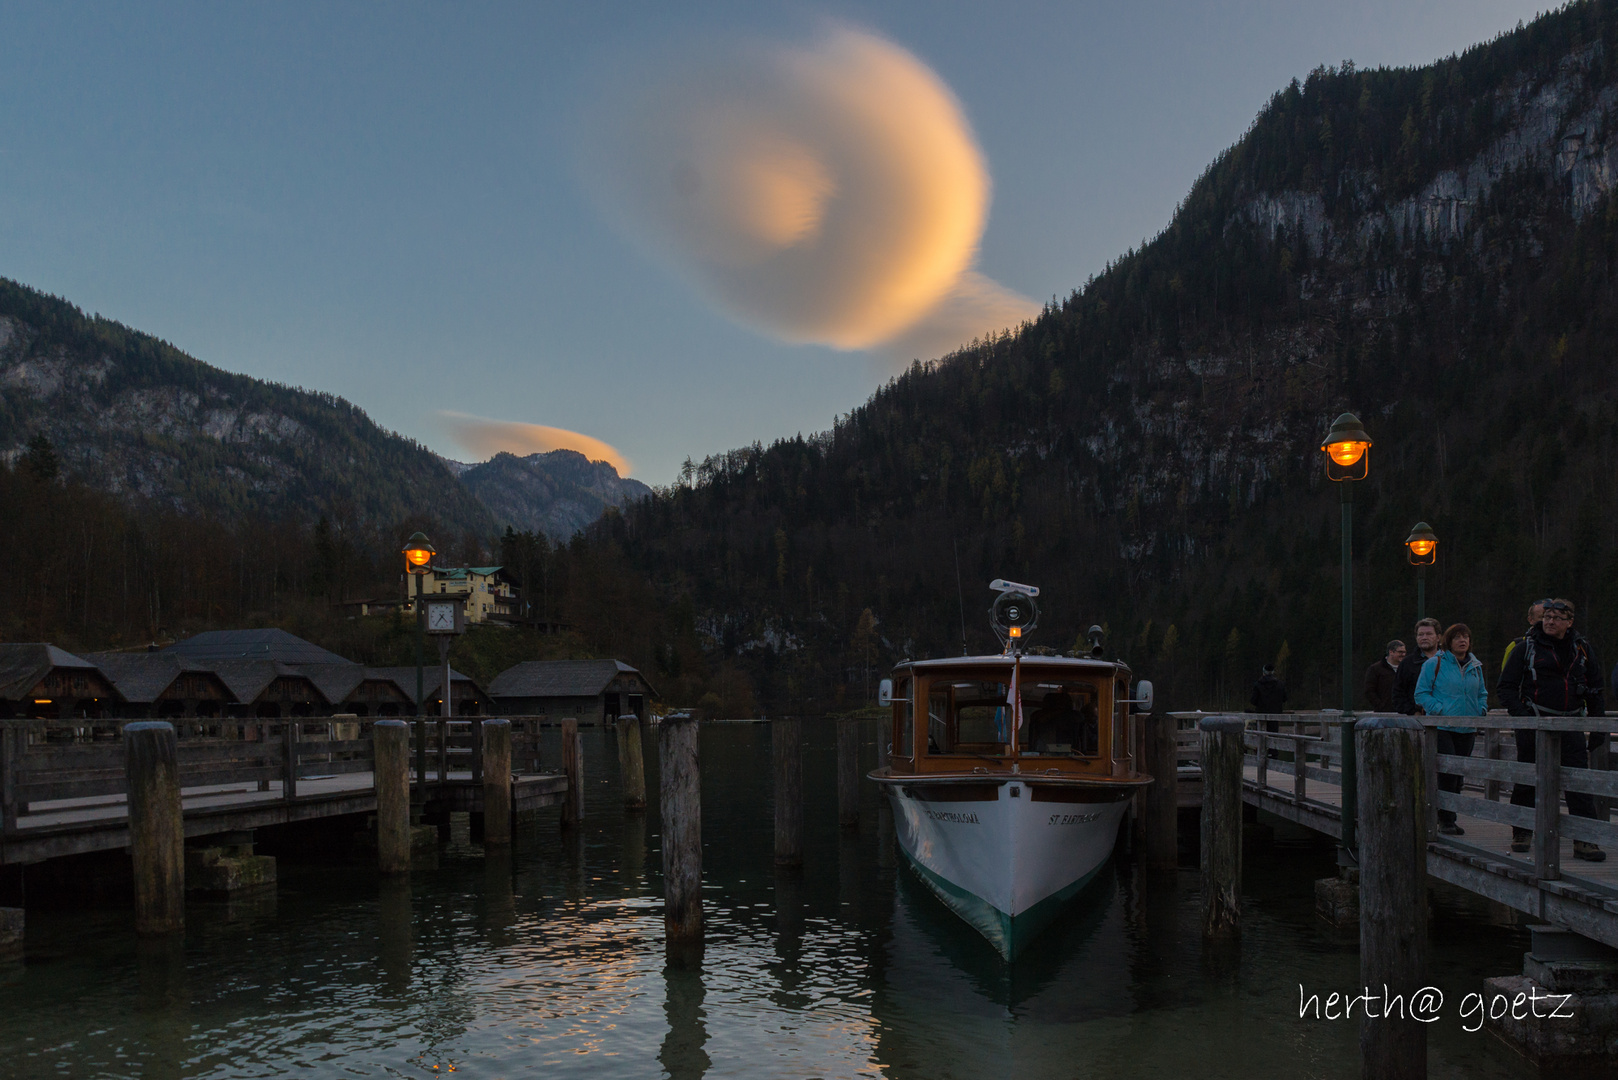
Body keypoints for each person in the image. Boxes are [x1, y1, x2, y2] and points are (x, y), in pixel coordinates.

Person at [1498, 598, 1606, 861]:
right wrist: (1524, 718)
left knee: (1578, 783)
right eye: (1547, 617)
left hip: (1571, 724)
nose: (1550, 621)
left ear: (1569, 622)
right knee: (1527, 781)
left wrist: (1598, 726)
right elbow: (1506, 687)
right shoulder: (1526, 648)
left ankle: (1585, 840)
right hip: (1535, 722)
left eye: (1557, 618)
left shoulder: (1582, 649)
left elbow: (1595, 688)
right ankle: (1521, 832)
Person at [1414, 624, 1486, 836]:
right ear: (1448, 641)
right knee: (1447, 772)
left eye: (1466, 637)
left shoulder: (1475, 665)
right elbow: (1421, 694)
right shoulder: (1434, 664)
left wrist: (1481, 709)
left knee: (1459, 774)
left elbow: (1482, 692)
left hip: (1467, 727)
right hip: (1442, 727)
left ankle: (1449, 815)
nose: (1462, 641)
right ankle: (1446, 819)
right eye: (1457, 638)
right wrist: (1439, 710)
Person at [1394, 618, 1441, 714]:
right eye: (1420, 634)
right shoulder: (1407, 664)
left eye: (1429, 634)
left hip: (1448, 720)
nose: (1424, 637)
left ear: (1438, 637)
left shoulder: (1449, 661)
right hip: (1417, 723)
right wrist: (1413, 712)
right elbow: (1398, 695)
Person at [1363, 639, 1405, 712]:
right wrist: (1380, 706)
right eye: (1400, 652)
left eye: (1404, 652)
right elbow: (1369, 691)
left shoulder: (1407, 669)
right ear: (1391, 652)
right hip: (1383, 714)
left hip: (1404, 713)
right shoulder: (1375, 669)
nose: (1403, 655)